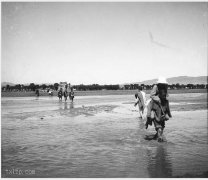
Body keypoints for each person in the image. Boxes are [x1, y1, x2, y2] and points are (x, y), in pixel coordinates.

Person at [146, 77, 172, 141]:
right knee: (151, 116)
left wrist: (165, 98)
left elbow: (167, 95)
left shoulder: (165, 87)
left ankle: (157, 135)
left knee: (164, 120)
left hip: (163, 102)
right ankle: (149, 120)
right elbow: (151, 95)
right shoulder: (155, 87)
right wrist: (157, 99)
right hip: (155, 102)